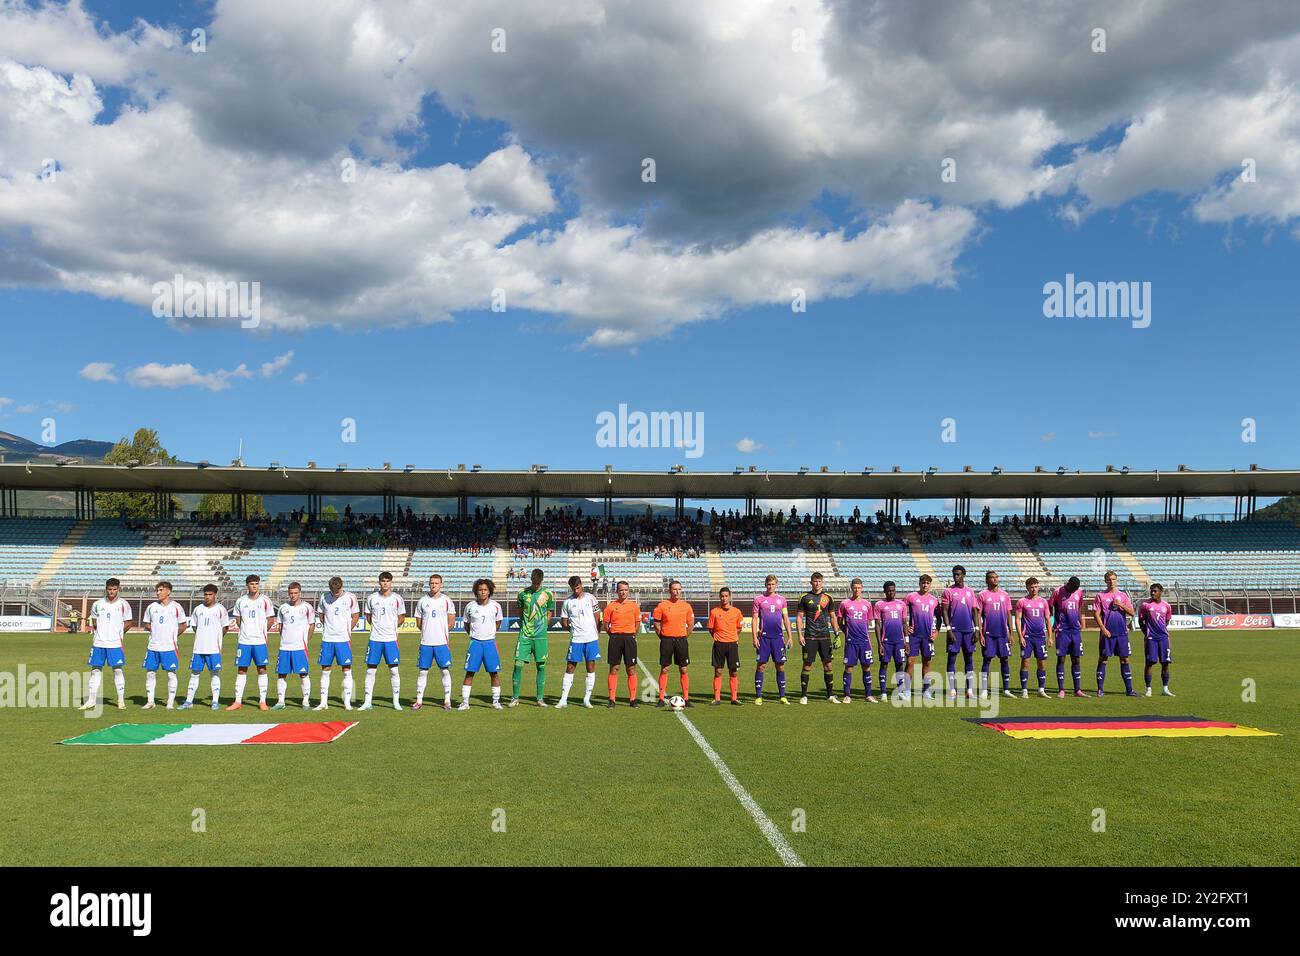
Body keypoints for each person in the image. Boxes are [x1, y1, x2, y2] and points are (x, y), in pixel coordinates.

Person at [81, 577, 132, 711]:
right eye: (109, 589)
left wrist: (119, 634)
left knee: (117, 670)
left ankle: (120, 701)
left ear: (118, 589)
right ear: (106, 589)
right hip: (99, 643)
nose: (111, 592)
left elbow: (128, 622)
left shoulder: (124, 604)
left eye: (114, 589)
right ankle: (91, 700)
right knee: (95, 670)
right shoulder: (97, 604)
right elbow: (94, 621)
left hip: (115, 644)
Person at [227, 574, 275, 711]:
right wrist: (246, 631)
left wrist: (261, 632)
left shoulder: (266, 600)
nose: (254, 586)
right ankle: (237, 701)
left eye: (256, 583)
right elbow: (238, 619)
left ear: (259, 585)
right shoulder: (241, 601)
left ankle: (262, 701)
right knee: (242, 669)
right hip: (244, 641)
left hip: (260, 641)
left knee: (262, 669)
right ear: (247, 585)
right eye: (251, 584)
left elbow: (271, 620)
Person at [360, 571, 406, 711]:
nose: (385, 583)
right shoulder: (372, 598)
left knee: (394, 670)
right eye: (383, 580)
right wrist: (377, 626)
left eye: (387, 581)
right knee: (370, 670)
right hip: (375, 639)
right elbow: (368, 616)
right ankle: (367, 702)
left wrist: (391, 627)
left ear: (391, 582)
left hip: (391, 639)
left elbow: (402, 616)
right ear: (379, 582)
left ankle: (396, 702)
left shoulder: (397, 599)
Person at [314, 576, 360, 710]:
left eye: (338, 591)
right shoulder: (324, 597)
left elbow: (356, 616)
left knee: (346, 670)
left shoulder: (350, 597)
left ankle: (347, 702)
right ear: (330, 589)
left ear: (341, 587)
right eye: (334, 591)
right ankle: (323, 702)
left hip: (343, 640)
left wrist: (347, 630)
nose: (336, 593)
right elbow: (321, 615)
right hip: (327, 639)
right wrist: (329, 628)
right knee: (325, 670)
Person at [511, 569, 553, 708]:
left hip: (541, 637)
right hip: (525, 635)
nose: (535, 585)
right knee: (518, 665)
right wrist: (526, 626)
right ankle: (515, 698)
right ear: (531, 580)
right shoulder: (522, 593)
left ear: (541, 581)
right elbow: (520, 612)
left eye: (537, 583)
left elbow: (549, 613)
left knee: (541, 666)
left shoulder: (548, 594)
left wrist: (543, 627)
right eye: (533, 583)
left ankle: (540, 699)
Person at [180, 584, 227, 710]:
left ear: (215, 595)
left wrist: (215, 638)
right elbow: (195, 626)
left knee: (214, 674)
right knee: (194, 674)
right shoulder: (198, 609)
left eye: (210, 594)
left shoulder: (221, 609)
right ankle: (189, 701)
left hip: (214, 649)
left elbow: (225, 627)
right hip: (198, 648)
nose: (207, 597)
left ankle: (215, 701)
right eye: (205, 594)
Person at [795, 572, 840, 704]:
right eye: (815, 581)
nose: (817, 583)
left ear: (823, 582)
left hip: (825, 637)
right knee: (807, 665)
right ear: (811, 582)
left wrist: (836, 633)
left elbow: (832, 616)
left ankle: (830, 695)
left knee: (828, 665)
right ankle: (803, 696)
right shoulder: (804, 597)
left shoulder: (828, 597)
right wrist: (799, 634)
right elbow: (799, 617)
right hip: (810, 637)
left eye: (820, 581)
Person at [558, 575, 602, 708]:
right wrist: (572, 630)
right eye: (573, 589)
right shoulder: (568, 602)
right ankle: (563, 699)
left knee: (590, 666)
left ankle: (587, 698)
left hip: (591, 639)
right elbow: (564, 621)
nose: (576, 591)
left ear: (581, 584)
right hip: (576, 639)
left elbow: (597, 616)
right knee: (570, 667)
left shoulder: (591, 598)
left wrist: (595, 631)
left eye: (577, 587)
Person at [460, 578, 504, 710]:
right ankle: (465, 702)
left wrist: (489, 634)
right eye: (480, 590)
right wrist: (474, 636)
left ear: (489, 591)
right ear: (476, 591)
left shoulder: (496, 606)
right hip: (475, 644)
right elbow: (466, 624)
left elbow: (498, 623)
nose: (483, 592)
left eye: (485, 590)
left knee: (494, 673)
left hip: (490, 644)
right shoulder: (470, 606)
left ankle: (496, 701)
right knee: (469, 673)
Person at [414, 574, 456, 711]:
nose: (434, 585)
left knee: (444, 671)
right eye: (432, 583)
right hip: (426, 642)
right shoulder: (422, 601)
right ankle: (419, 700)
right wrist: (428, 631)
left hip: (441, 643)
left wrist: (440, 631)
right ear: (429, 584)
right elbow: (419, 622)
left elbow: (451, 621)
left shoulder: (447, 601)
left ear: (441, 584)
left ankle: (447, 701)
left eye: (436, 583)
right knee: (422, 672)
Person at [141, 581, 186, 709]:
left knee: (171, 673)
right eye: (157, 590)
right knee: (150, 673)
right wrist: (156, 632)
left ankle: (170, 702)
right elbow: (147, 624)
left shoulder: (176, 607)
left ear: (168, 592)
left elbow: (183, 625)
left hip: (169, 647)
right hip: (153, 646)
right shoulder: (151, 607)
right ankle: (150, 702)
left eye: (161, 590)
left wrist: (172, 636)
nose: (158, 592)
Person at [1094, 571, 1137, 697]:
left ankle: (1129, 690)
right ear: (1105, 581)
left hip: (1122, 633)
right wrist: (1103, 629)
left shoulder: (1123, 596)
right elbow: (1096, 614)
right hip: (1107, 633)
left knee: (1125, 659)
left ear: (1116, 580)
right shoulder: (1101, 596)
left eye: (1113, 579)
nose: (1111, 581)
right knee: (1103, 659)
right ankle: (1100, 689)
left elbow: (1132, 612)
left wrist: (1121, 605)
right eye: (1109, 579)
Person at [273, 582, 315, 710]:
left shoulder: (307, 608)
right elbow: (280, 626)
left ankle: (306, 701)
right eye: (291, 593)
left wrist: (306, 640)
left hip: (300, 647)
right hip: (285, 647)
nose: (293, 595)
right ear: (288, 593)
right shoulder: (283, 608)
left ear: (300, 593)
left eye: (295, 593)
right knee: (281, 674)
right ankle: (281, 701)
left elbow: (312, 625)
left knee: (303, 674)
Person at [752, 575, 792, 705]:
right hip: (763, 638)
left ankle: (782, 696)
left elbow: (785, 619)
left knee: (780, 665)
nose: (771, 586)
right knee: (761, 665)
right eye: (769, 584)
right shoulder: (758, 599)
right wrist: (754, 637)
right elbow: (754, 619)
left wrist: (790, 636)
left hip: (778, 638)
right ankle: (758, 696)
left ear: (776, 585)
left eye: (773, 584)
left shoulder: (782, 600)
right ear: (765, 584)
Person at [652, 580, 693, 707]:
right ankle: (661, 698)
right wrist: (663, 636)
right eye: (674, 589)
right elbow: (657, 623)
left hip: (681, 640)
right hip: (667, 640)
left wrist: (684, 636)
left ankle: (686, 698)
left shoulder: (686, 606)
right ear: (669, 591)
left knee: (683, 669)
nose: (677, 592)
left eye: (679, 589)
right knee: (665, 669)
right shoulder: (662, 606)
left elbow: (691, 624)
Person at [975, 571, 1015, 699]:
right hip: (988, 634)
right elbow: (978, 614)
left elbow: (1009, 614)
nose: (995, 579)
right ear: (987, 580)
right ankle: (984, 689)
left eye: (996, 577)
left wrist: (1011, 633)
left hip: (1003, 633)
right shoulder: (982, 595)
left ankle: (1006, 689)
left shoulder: (1005, 595)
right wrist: (980, 633)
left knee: (1005, 659)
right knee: (987, 659)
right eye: (992, 578)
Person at [836, 578, 876, 704]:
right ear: (851, 588)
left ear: (862, 588)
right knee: (849, 667)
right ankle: (847, 695)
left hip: (864, 641)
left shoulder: (867, 604)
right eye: (854, 587)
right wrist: (846, 631)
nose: (856, 590)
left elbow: (869, 621)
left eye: (859, 587)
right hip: (851, 641)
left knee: (866, 667)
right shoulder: (845, 603)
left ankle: (868, 695)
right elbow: (839, 621)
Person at [941, 565, 978, 700]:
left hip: (969, 630)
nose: (956, 577)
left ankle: (969, 691)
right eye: (954, 574)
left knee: (969, 659)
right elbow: (944, 611)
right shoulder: (948, 592)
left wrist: (977, 629)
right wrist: (949, 629)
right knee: (952, 658)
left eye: (958, 574)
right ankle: (952, 691)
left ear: (964, 575)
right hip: (954, 631)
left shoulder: (970, 592)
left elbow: (974, 611)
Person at [603, 580, 641, 708]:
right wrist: (613, 635)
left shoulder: (634, 606)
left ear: (628, 591)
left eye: (625, 590)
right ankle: (612, 699)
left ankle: (632, 699)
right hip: (615, 638)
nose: (623, 592)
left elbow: (637, 623)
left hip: (629, 638)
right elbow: (605, 624)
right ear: (617, 591)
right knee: (614, 668)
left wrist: (631, 635)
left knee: (631, 668)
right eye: (621, 590)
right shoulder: (611, 606)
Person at [1050, 575, 1088, 698]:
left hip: (1075, 631)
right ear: (1068, 584)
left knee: (1076, 659)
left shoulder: (1079, 593)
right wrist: (1052, 624)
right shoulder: (1057, 592)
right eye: (1073, 588)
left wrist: (1081, 622)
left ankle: (1078, 690)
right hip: (1062, 630)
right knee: (1061, 658)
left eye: (1076, 589)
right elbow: (1050, 608)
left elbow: (1079, 607)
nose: (1074, 591)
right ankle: (1061, 689)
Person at [1015, 577, 1053, 699]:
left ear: (1039, 587)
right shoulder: (1022, 601)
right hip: (1027, 637)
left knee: (1041, 663)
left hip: (1040, 637)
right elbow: (1018, 619)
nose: (1034, 589)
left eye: (1036, 586)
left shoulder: (1043, 602)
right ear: (1027, 588)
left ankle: (1041, 689)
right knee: (1025, 661)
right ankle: (1024, 690)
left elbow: (1047, 620)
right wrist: (1020, 636)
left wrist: (1050, 637)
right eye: (1031, 587)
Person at [706, 587, 745, 705]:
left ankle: (734, 698)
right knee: (718, 671)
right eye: (722, 596)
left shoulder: (737, 612)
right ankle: (717, 698)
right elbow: (711, 629)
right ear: (719, 597)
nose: (724, 598)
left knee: (734, 672)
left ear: (730, 596)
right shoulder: (714, 612)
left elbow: (739, 628)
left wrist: (732, 637)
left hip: (732, 645)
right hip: (719, 645)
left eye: (726, 596)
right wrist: (719, 638)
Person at [904, 575, 940, 700]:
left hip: (927, 636)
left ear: (930, 585)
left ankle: (926, 691)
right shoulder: (911, 597)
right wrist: (906, 627)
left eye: (927, 583)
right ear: (919, 583)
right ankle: (907, 691)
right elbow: (902, 614)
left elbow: (939, 618)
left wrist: (937, 632)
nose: (925, 585)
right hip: (914, 635)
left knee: (927, 662)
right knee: (910, 661)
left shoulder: (934, 600)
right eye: (923, 583)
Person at [1139, 582, 1175, 697]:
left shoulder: (1167, 606)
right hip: (1151, 638)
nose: (1153, 593)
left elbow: (1167, 621)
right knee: (1150, 662)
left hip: (1163, 638)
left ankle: (1165, 689)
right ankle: (1148, 689)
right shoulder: (1145, 605)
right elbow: (1141, 621)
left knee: (1165, 663)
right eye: (1151, 591)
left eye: (1155, 591)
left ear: (1161, 592)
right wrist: (1147, 633)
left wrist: (1161, 630)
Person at [874, 581, 909, 700]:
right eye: (889, 590)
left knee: (900, 665)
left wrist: (907, 641)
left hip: (899, 641)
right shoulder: (879, 605)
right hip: (886, 641)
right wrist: (879, 644)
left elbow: (904, 623)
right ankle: (883, 692)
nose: (891, 593)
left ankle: (900, 692)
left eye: (893, 590)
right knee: (884, 664)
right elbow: (877, 625)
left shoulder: (902, 605)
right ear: (884, 591)